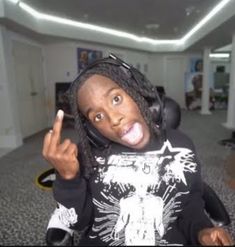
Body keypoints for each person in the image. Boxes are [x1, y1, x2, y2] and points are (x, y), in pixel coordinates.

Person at [42, 54, 233, 246]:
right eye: (98, 116)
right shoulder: (88, 158)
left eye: (116, 99)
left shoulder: (180, 146)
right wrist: (68, 180)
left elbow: (189, 205)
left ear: (136, 92)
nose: (114, 119)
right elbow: (77, 222)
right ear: (91, 129)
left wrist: (203, 231)